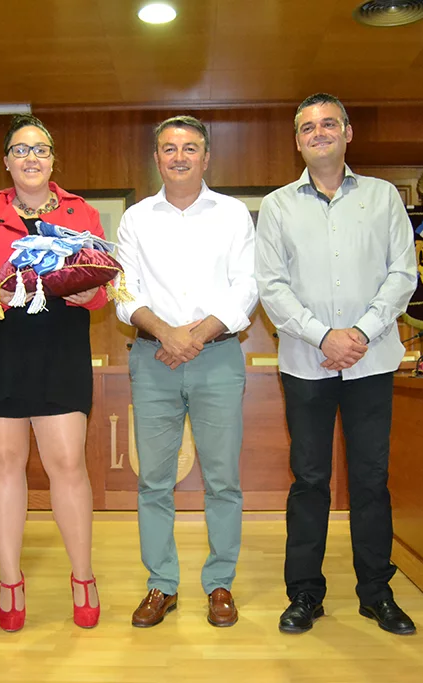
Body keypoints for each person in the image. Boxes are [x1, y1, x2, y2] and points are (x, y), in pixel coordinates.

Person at [255, 93, 418, 636]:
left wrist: (360, 334)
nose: (319, 132)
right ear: (297, 141)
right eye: (307, 127)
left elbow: (402, 274)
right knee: (310, 479)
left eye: (329, 124)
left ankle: (376, 593)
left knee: (371, 479)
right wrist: (324, 337)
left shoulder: (384, 196)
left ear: (349, 132)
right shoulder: (278, 206)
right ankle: (305, 594)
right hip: (306, 363)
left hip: (372, 363)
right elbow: (271, 287)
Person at [0, 114, 107, 631]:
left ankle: (82, 576)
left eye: (40, 149)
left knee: (67, 462)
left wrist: (93, 292)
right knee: (3, 460)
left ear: (53, 159)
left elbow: (100, 272)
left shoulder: (79, 210)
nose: (31, 158)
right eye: (21, 150)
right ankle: (9, 578)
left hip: (57, 339)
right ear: (7, 160)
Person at [115, 115, 257, 629]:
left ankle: (220, 583)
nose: (179, 156)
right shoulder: (135, 219)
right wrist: (167, 333)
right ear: (157, 158)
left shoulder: (233, 214)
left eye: (190, 148)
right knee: (153, 480)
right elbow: (124, 293)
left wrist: (195, 335)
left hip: (216, 357)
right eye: (169, 148)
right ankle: (161, 584)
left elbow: (246, 288)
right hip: (153, 359)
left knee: (223, 480)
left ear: (206, 157)